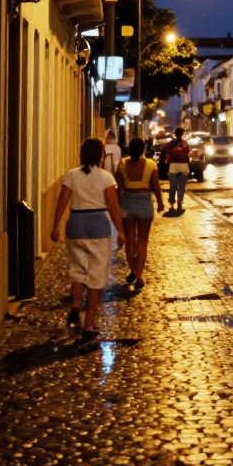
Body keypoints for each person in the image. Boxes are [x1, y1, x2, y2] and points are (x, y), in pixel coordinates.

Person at [50, 138, 125, 336]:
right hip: (98, 227)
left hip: (76, 225)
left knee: (78, 271)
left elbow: (62, 202)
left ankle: (75, 307)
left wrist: (55, 226)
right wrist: (121, 230)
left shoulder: (72, 175)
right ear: (101, 155)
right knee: (97, 277)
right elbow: (113, 205)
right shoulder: (106, 178)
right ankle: (88, 324)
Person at [116, 137, 165, 289]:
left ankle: (131, 270)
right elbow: (155, 185)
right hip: (144, 201)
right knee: (143, 241)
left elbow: (119, 188)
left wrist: (117, 206)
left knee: (130, 241)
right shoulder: (151, 164)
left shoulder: (122, 165)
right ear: (143, 149)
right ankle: (139, 276)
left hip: (127, 201)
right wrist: (160, 202)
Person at [160, 127, 191, 211]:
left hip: (173, 166)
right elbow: (187, 152)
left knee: (172, 186)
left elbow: (164, 150)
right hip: (183, 166)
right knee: (181, 186)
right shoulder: (185, 143)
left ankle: (172, 204)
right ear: (182, 134)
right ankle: (179, 204)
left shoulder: (171, 143)